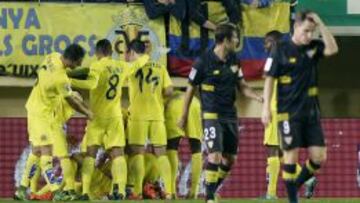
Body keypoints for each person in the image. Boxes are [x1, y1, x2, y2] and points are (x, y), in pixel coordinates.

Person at [178, 23, 263, 203]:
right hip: (211, 115)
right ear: (224, 40)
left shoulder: (234, 60)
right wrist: (183, 115)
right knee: (215, 154)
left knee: (230, 159)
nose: (237, 41)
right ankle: (209, 198)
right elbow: (190, 89)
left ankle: (212, 189)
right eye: (234, 38)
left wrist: (256, 97)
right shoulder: (203, 61)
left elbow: (242, 86)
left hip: (230, 115)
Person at [261, 11, 338, 203]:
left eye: (312, 32)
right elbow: (269, 79)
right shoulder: (280, 49)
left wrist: (320, 22)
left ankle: (294, 185)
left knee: (319, 158)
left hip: (311, 113)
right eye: (306, 31)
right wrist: (265, 109)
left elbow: (332, 49)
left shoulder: (312, 48)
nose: (309, 36)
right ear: (295, 28)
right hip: (288, 113)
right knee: (290, 156)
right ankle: (293, 199)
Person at [14, 44, 92, 200]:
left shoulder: (52, 56)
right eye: (79, 62)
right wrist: (88, 113)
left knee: (36, 151)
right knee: (46, 153)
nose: (79, 65)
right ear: (73, 60)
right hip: (41, 114)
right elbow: (72, 101)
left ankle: (21, 189)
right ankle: (57, 192)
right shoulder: (60, 78)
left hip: (37, 108)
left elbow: (63, 74)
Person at [70, 39, 131, 200]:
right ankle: (121, 191)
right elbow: (137, 65)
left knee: (90, 155)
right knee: (118, 154)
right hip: (115, 116)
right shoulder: (122, 66)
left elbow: (89, 82)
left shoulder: (96, 66)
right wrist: (144, 56)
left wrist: (68, 79)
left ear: (98, 53)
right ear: (111, 51)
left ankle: (85, 193)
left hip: (96, 117)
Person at [126, 39, 173, 199]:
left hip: (138, 117)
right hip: (157, 116)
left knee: (137, 153)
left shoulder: (131, 68)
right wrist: (157, 99)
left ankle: (137, 191)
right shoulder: (160, 67)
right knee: (161, 153)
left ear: (132, 52)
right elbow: (169, 91)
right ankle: (169, 191)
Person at [165, 89, 203, 199]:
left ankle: (171, 191)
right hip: (194, 102)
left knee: (172, 147)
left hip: (174, 104)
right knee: (196, 148)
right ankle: (194, 191)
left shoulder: (165, 94)